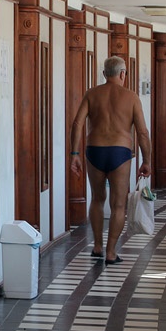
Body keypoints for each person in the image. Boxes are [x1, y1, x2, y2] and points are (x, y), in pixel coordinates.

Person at [69, 56, 151, 264]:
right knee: (118, 205)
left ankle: (97, 246)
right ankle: (111, 252)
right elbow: (142, 133)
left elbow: (77, 123)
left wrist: (74, 154)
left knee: (97, 198)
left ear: (105, 74)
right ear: (123, 74)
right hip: (120, 152)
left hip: (94, 150)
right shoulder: (131, 97)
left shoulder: (91, 94)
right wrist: (147, 160)